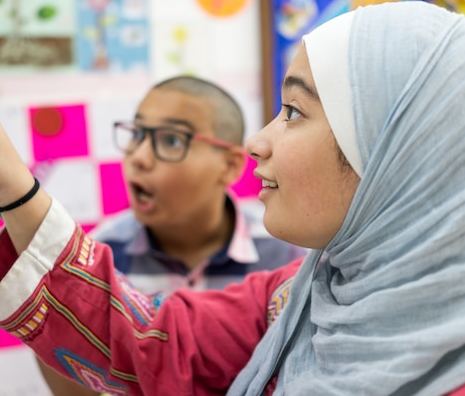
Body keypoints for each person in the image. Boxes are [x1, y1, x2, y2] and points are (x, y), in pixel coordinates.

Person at [0, 0, 465, 396]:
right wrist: (13, 188)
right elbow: (155, 345)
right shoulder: (304, 291)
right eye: (135, 135)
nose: (258, 142)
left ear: (397, 158)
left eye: (294, 112)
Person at [35, 75, 306, 395]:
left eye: (171, 141)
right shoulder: (98, 260)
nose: (139, 157)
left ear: (231, 166)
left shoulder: (288, 255)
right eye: (137, 134)